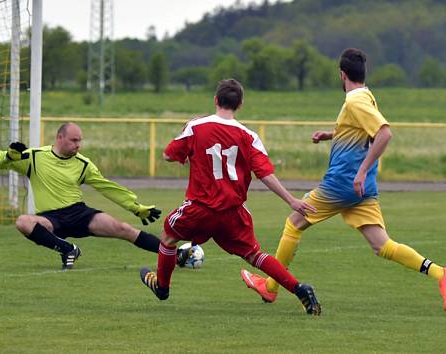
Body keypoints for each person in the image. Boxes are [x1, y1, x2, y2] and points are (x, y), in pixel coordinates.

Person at [241, 48, 446, 311]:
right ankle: (441, 274)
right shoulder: (365, 96)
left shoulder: (355, 101)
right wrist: (332, 134)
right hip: (361, 189)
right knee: (382, 245)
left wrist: (362, 169)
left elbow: (384, 134)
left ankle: (271, 287)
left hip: (343, 183)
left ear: (342, 74)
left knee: (294, 222)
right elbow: (360, 130)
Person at [138, 79, 322, 316]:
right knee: (254, 255)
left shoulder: (196, 126)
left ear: (215, 100)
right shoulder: (249, 136)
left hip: (200, 207)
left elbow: (167, 155)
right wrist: (292, 201)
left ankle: (162, 287)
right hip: (233, 211)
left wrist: (186, 149)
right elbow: (265, 174)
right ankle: (299, 289)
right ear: (240, 105)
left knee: (168, 239)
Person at [0, 122, 162, 270]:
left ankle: (174, 255)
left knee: (124, 229)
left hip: (79, 214)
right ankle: (68, 249)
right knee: (23, 222)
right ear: (60, 137)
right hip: (50, 219)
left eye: (79, 140)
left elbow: (107, 187)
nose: (78, 145)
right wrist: (9, 156)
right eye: (74, 140)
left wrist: (136, 207)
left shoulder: (83, 164)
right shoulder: (35, 157)